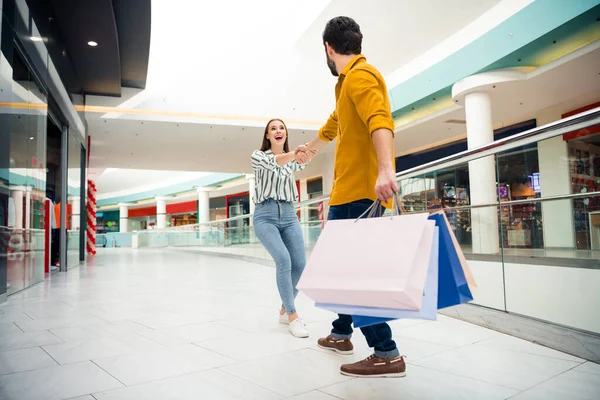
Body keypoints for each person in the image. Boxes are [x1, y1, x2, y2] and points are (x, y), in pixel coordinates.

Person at [302, 16, 405, 377]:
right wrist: (311, 148)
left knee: (358, 276)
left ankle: (386, 351)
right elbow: (335, 122)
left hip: (363, 192)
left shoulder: (361, 77)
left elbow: (380, 119)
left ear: (328, 49)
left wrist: (386, 169)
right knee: (343, 271)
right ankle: (342, 332)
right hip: (347, 192)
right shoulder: (346, 84)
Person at [251, 118, 316, 338]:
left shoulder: (293, 159)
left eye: (281, 128)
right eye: (273, 129)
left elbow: (304, 157)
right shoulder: (258, 156)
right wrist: (296, 153)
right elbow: (274, 163)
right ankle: (293, 316)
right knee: (284, 260)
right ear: (267, 136)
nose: (278, 131)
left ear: (285, 135)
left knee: (300, 264)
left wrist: (306, 151)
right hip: (265, 215)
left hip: (289, 214)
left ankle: (282, 309)